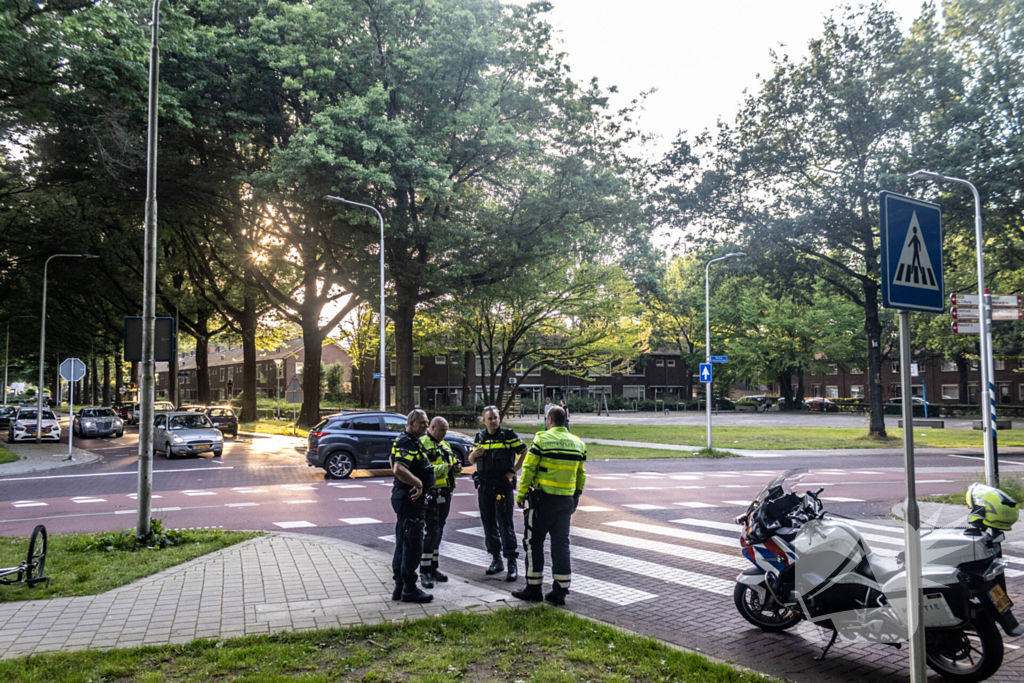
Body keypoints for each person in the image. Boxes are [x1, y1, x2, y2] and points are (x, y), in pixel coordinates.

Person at [512, 406, 586, 606]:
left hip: (542, 502)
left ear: (550, 420)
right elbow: (581, 474)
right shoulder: (578, 444)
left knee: (533, 543)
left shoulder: (542, 440)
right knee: (561, 544)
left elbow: (528, 468)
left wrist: (521, 494)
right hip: (566, 502)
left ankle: (533, 588)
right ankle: (560, 591)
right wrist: (576, 496)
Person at [468, 405, 527, 581]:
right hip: (485, 486)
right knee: (489, 524)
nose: (493, 421)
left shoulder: (508, 435)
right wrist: (474, 454)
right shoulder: (480, 437)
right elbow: (471, 460)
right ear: (484, 420)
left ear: (499, 419)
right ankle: (496, 560)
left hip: (503, 486)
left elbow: (524, 451)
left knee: (505, 524)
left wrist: (513, 471)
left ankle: (511, 563)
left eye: (495, 418)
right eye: (490, 418)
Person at [389, 409, 435, 603]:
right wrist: (418, 483)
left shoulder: (409, 441)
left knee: (403, 541)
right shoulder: (406, 442)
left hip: (408, 499)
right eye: (423, 422)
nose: (426, 426)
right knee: (413, 544)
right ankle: (409, 587)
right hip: (410, 501)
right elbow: (398, 468)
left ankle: (400, 587)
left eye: (427, 422)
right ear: (412, 424)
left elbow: (392, 461)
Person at [419, 416, 461, 588]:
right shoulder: (423, 444)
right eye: (442, 430)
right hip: (431, 494)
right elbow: (422, 470)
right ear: (433, 427)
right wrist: (446, 468)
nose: (445, 433)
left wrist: (456, 469)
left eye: (447, 429)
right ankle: (424, 571)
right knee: (431, 532)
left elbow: (451, 467)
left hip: (445, 494)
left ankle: (434, 568)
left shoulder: (445, 445)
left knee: (438, 531)